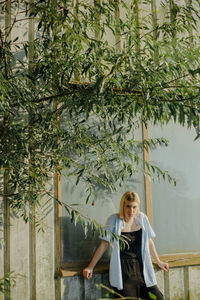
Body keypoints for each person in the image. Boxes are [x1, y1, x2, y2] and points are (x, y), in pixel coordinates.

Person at [83, 191, 169, 299]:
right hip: (124, 273)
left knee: (157, 297)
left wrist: (158, 261)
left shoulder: (142, 219)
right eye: (128, 206)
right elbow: (104, 245)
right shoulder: (114, 220)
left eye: (134, 207)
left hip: (142, 268)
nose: (131, 210)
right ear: (123, 205)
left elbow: (149, 241)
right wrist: (90, 267)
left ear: (138, 206)